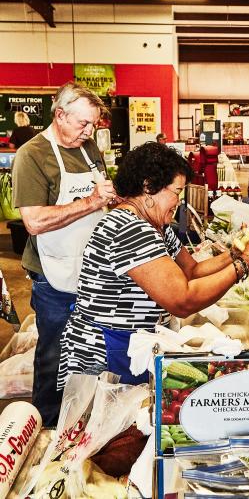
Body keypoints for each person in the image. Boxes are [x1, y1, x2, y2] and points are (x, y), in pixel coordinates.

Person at [57, 142, 249, 388]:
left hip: (130, 345)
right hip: (107, 353)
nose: (178, 202)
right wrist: (245, 264)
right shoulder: (129, 228)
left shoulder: (157, 227)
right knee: (107, 423)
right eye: (176, 192)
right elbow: (182, 300)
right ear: (148, 187)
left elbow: (192, 271)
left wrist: (235, 253)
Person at [12, 82, 118, 425]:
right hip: (53, 273)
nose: (89, 131)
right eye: (82, 123)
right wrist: (92, 201)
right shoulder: (33, 154)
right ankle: (47, 425)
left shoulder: (88, 150)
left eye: (94, 125)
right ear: (60, 115)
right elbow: (34, 221)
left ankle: (87, 421)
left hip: (93, 271)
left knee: (93, 350)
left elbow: (102, 200)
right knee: (54, 354)